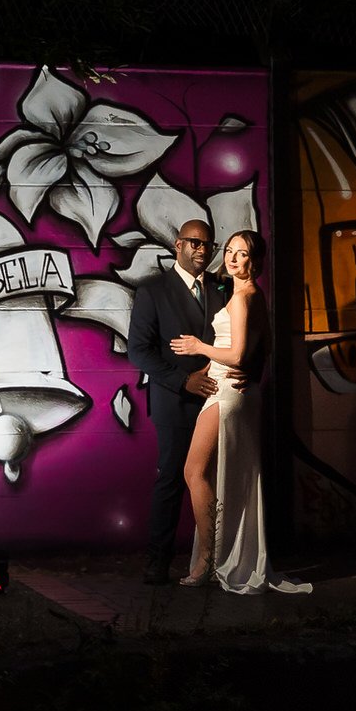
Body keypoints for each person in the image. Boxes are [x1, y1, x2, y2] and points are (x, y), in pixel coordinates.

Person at [169, 232, 312, 593]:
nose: (233, 259)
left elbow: (235, 355)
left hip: (227, 393)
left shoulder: (244, 298)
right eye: (230, 251)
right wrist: (252, 372)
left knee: (194, 471)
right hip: (235, 389)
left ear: (255, 261)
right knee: (217, 476)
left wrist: (198, 346)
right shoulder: (248, 295)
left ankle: (206, 560)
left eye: (243, 254)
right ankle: (217, 557)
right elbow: (260, 351)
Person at [127, 219, 231, 585]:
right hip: (175, 402)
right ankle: (158, 561)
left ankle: (217, 561)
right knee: (171, 478)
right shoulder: (153, 291)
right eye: (194, 243)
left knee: (218, 479)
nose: (202, 250)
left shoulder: (224, 288)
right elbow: (138, 351)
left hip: (219, 399)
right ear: (177, 245)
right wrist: (183, 381)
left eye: (208, 245)